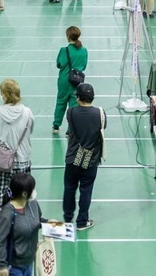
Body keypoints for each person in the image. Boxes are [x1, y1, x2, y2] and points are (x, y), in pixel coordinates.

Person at [0, 80, 34, 211]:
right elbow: (30, 130)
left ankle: (2, 224)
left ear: (5, 95)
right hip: (23, 160)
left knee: (0, 192)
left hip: (3, 162)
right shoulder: (28, 112)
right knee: (22, 195)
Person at [63, 82, 105, 231]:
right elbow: (102, 127)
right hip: (91, 160)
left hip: (73, 157)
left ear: (78, 97)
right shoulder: (100, 113)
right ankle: (82, 221)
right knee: (86, 189)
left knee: (69, 188)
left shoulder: (71, 112)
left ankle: (67, 217)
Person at [0, 172, 44, 276]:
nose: (34, 191)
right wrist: (2, 265)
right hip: (13, 267)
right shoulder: (8, 213)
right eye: (33, 189)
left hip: (29, 262)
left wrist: (51, 224)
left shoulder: (33, 204)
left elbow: (37, 220)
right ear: (24, 194)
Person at [53, 27, 88, 133]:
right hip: (76, 81)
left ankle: (56, 125)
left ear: (68, 36)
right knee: (73, 105)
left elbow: (59, 64)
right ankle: (70, 129)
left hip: (64, 80)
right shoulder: (84, 50)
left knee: (61, 102)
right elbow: (84, 66)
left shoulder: (64, 50)